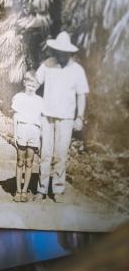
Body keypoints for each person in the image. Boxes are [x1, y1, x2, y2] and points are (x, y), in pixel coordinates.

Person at [33, 31, 89, 202]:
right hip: (47, 116)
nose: (61, 54)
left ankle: (57, 189)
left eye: (64, 52)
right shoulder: (47, 64)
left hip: (66, 118)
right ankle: (41, 190)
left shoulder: (77, 70)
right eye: (59, 51)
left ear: (69, 52)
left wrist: (79, 117)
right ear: (56, 50)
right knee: (45, 153)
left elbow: (82, 94)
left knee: (61, 154)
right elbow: (34, 83)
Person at [11, 71, 44, 202]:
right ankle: (18, 191)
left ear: (38, 86)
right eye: (29, 84)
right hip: (22, 130)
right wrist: (14, 134)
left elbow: (40, 121)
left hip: (34, 132)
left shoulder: (40, 101)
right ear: (24, 83)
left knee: (29, 162)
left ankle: (25, 191)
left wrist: (40, 140)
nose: (31, 87)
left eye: (34, 85)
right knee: (20, 161)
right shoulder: (19, 97)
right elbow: (15, 117)